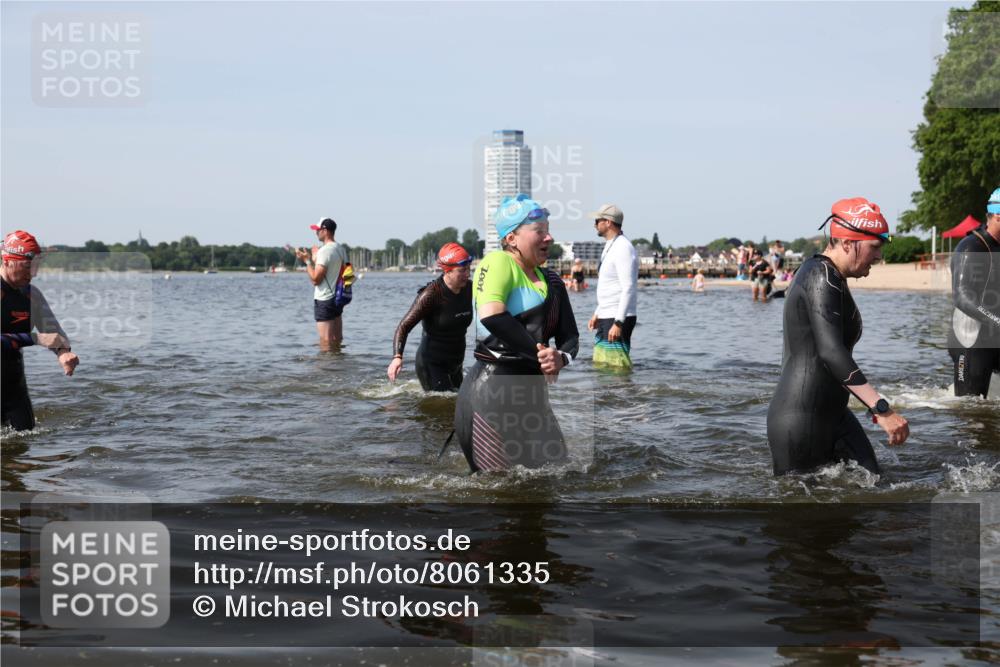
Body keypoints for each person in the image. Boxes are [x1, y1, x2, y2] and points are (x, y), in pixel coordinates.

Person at [767, 197, 910, 476]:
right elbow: (831, 352)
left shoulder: (831, 276)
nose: (880, 256)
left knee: (878, 490)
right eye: (875, 247)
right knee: (811, 517)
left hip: (834, 415)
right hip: (801, 421)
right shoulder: (821, 276)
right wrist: (881, 408)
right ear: (848, 243)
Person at [454, 194, 579, 472]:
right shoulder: (498, 262)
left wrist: (560, 358)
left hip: (533, 399)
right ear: (511, 239)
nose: (548, 238)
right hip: (490, 395)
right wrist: (540, 356)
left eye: (548, 231)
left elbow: (570, 337)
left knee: (558, 477)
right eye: (539, 232)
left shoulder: (554, 281)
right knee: (497, 495)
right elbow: (492, 315)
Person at [1, 230, 80, 431]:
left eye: (36, 266)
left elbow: (54, 332)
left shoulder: (31, 295)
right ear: (7, 260)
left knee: (25, 441)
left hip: (13, 386)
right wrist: (35, 338)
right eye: (27, 266)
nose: (33, 273)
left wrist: (63, 352)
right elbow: (42, 338)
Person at [387, 243, 473, 392]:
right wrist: (397, 357)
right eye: (462, 270)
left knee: (461, 406)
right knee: (443, 409)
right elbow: (404, 326)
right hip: (432, 364)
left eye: (468, 269)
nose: (468, 274)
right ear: (447, 271)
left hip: (456, 364)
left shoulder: (470, 289)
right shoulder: (431, 295)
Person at [948, 187, 1000, 397]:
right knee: (970, 413)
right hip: (971, 339)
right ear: (997, 214)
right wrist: (996, 320)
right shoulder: (971, 247)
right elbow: (962, 297)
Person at [587, 204, 638, 370]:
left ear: (608, 222)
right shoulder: (610, 246)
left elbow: (628, 287)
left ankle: (624, 395)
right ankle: (605, 396)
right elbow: (609, 285)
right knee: (601, 363)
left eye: (597, 220)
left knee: (617, 367)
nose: (594, 224)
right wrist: (597, 312)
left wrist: (618, 322)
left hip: (617, 316)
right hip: (606, 314)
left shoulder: (623, 247)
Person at [295, 218, 348, 349]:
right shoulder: (340, 249)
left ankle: (326, 369)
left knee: (326, 342)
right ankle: (337, 367)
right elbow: (342, 274)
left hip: (325, 299)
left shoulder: (325, 251)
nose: (316, 232)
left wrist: (307, 261)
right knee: (337, 340)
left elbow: (315, 279)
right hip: (338, 298)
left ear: (325, 230)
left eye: (318, 230)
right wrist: (315, 259)